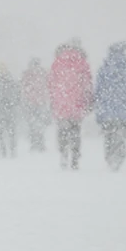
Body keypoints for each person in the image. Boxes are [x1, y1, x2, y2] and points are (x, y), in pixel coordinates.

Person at [93, 41, 126, 171]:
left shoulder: (103, 70)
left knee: (108, 136)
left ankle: (110, 158)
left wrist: (97, 105)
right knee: (120, 136)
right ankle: (118, 158)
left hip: (106, 110)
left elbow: (98, 91)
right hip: (123, 109)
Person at [47, 39, 93, 170]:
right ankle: (75, 156)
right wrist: (88, 100)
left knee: (62, 129)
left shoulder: (57, 63)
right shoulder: (82, 63)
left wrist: (53, 100)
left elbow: (51, 84)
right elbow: (87, 84)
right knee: (75, 130)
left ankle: (63, 152)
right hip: (77, 103)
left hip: (61, 103)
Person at [0, 63, 20, 158]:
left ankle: (4, 150)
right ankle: (12, 150)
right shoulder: (11, 81)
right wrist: (15, 104)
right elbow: (18, 95)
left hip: (0, 110)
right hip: (10, 109)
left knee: (1, 132)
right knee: (11, 131)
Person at [21, 57, 50, 152]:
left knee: (32, 124)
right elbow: (48, 86)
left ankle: (35, 143)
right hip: (40, 102)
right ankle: (40, 143)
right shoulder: (43, 73)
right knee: (39, 124)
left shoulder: (27, 74)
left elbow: (24, 88)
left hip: (31, 102)